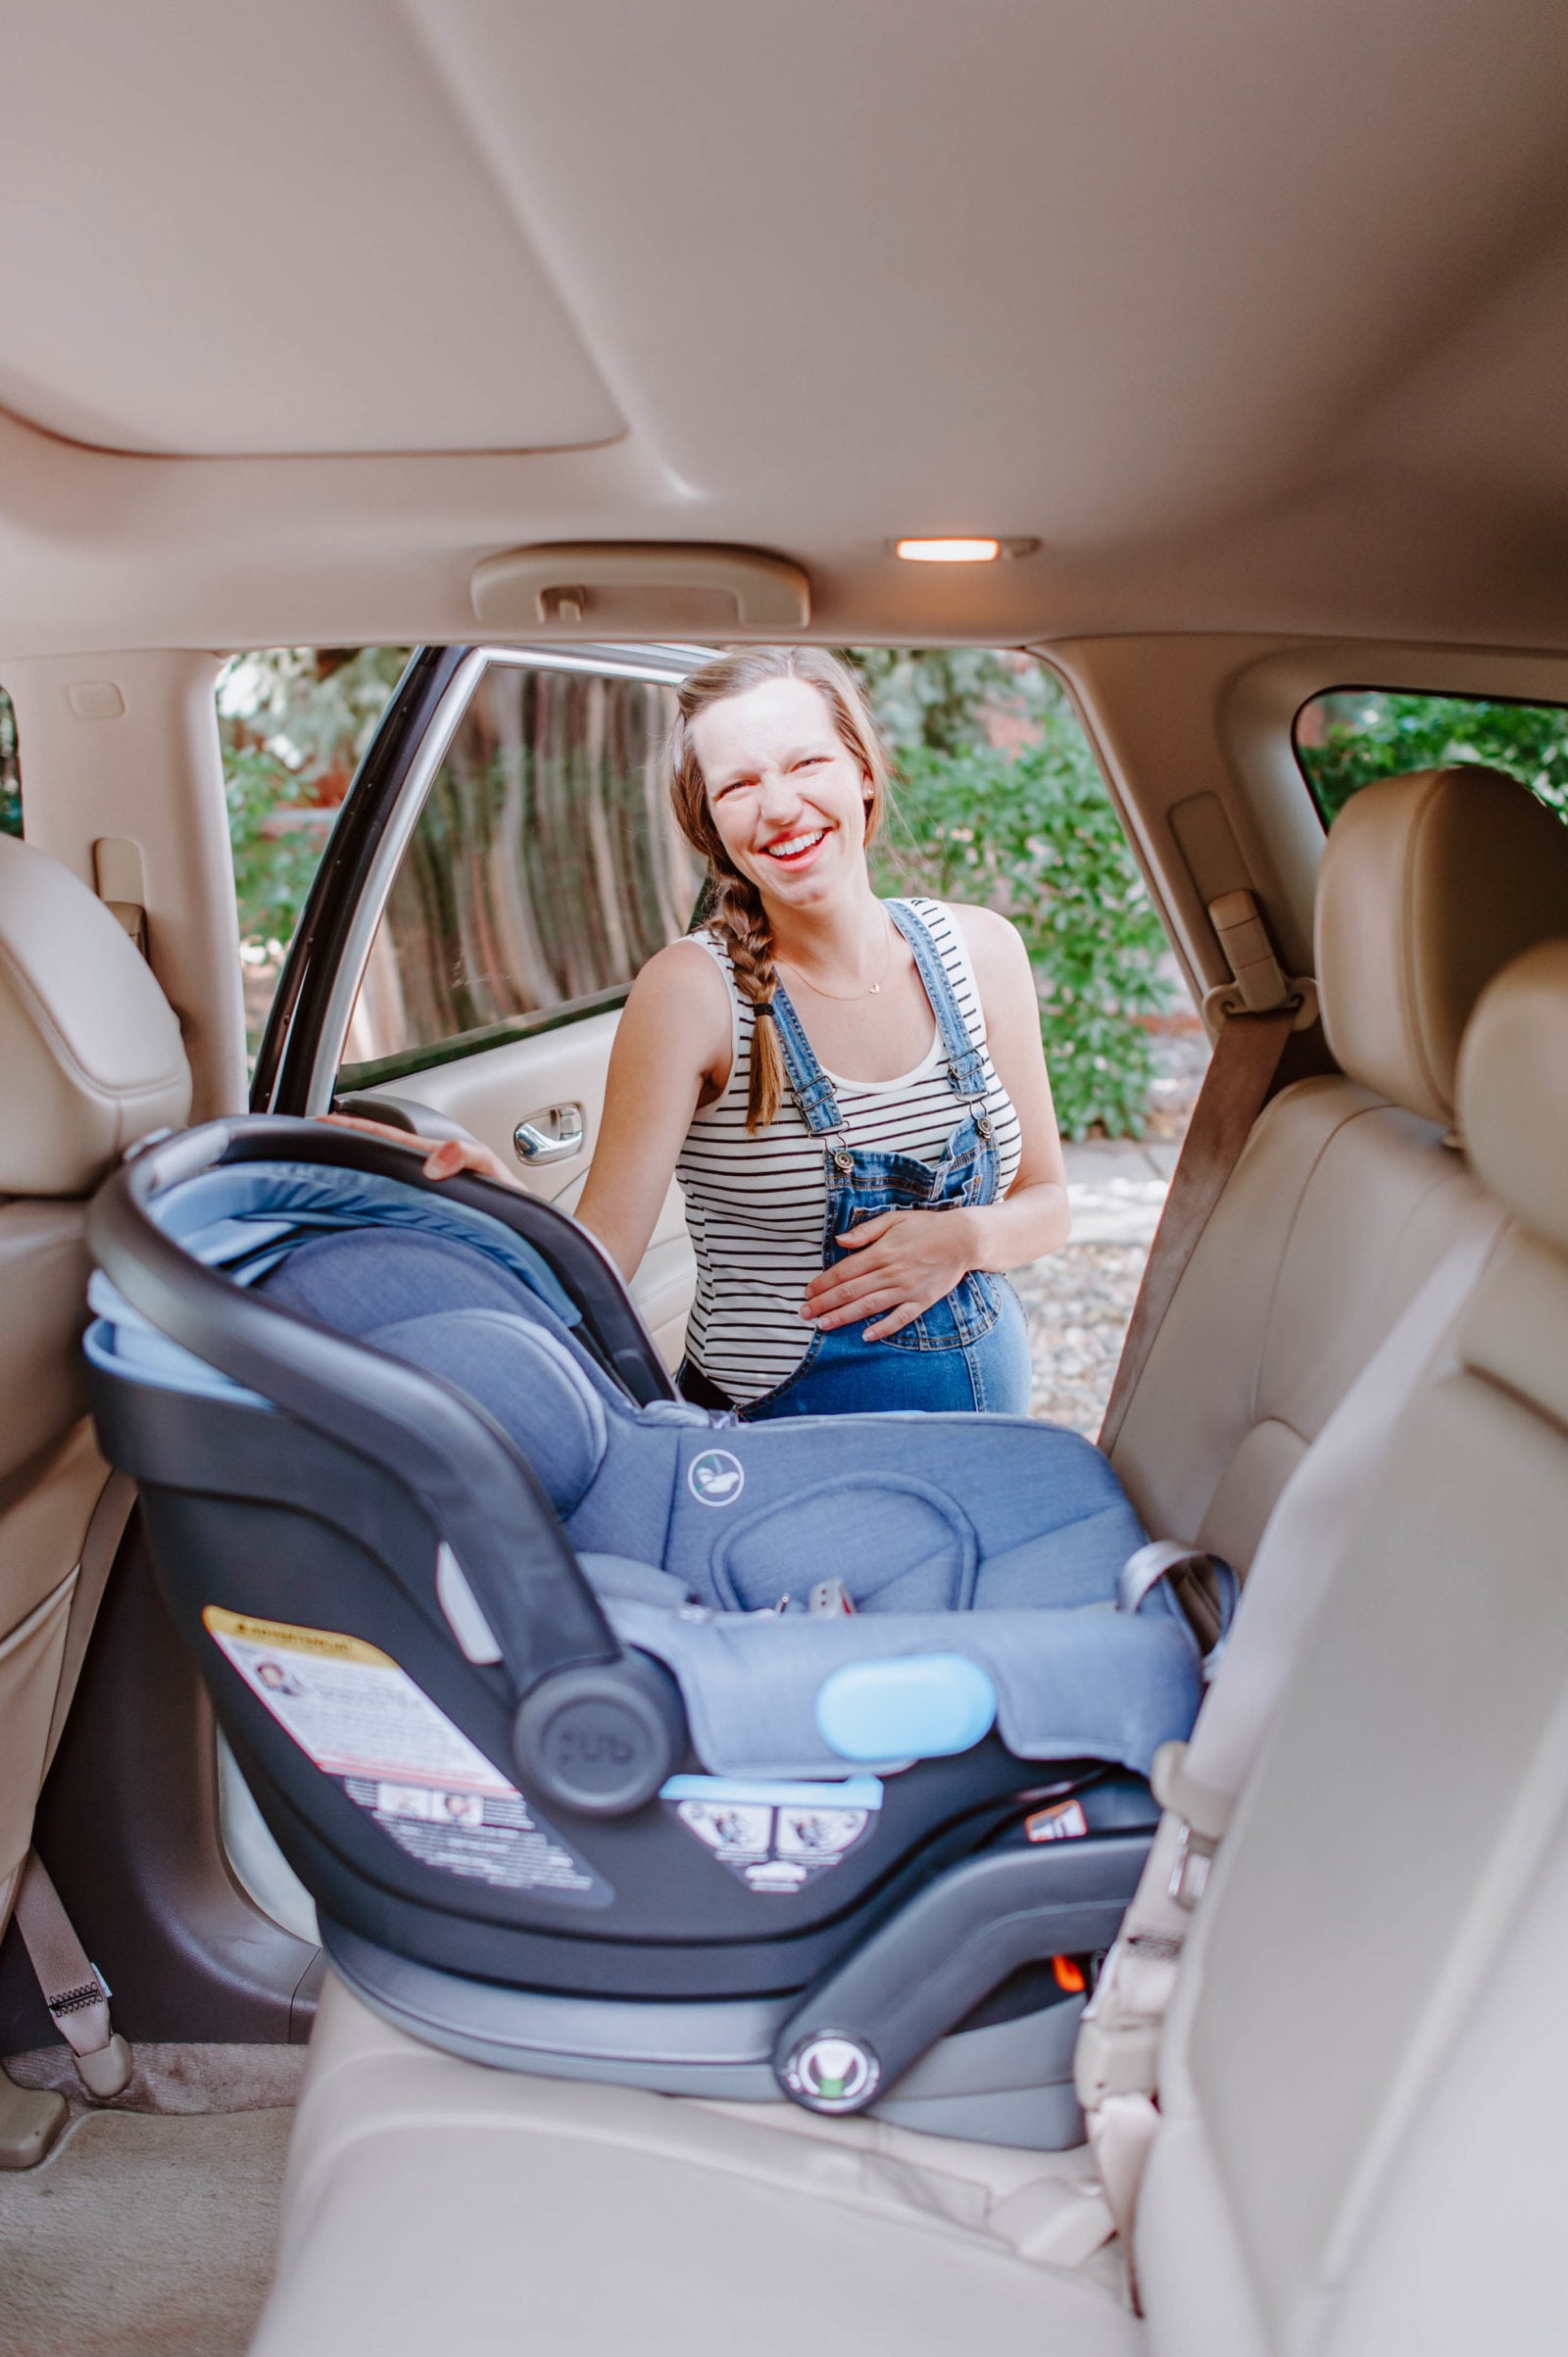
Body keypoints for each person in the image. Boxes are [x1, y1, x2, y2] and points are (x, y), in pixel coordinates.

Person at [339, 648, 1071, 1418]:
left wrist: (963, 1239)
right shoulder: (692, 992)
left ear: (862, 772)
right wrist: (502, 1208)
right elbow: (601, 1263)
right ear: (712, 823)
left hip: (994, 1422)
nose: (781, 806)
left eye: (805, 763)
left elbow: (1048, 1201)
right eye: (740, 785)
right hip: (784, 1449)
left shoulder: (983, 952)